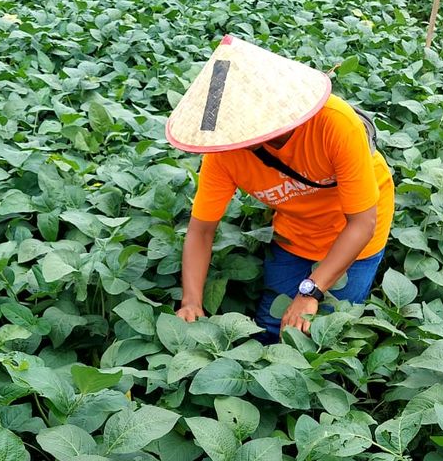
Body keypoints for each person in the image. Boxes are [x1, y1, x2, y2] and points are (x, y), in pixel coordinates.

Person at [165, 35, 396, 341]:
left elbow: (363, 223)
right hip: (296, 232)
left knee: (327, 334)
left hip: (358, 230)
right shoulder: (224, 153)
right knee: (272, 325)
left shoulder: (336, 124)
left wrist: (311, 291)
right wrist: (191, 301)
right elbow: (201, 230)